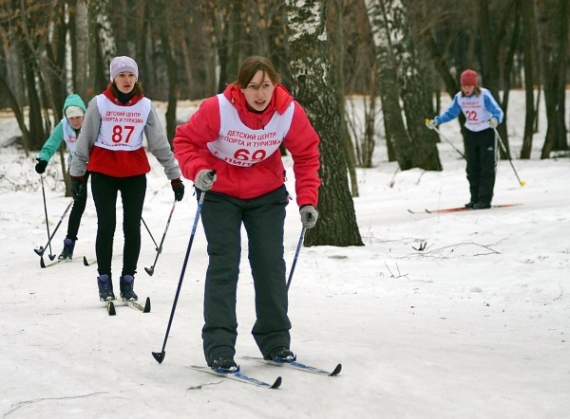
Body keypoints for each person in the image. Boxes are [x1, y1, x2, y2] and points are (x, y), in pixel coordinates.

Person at [173, 55, 321, 372]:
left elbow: (307, 153)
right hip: (219, 193)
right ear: (241, 88)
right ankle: (220, 348)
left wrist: (307, 199)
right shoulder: (218, 109)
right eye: (252, 86)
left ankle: (275, 341)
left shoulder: (288, 112)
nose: (260, 93)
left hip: (266, 194)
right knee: (225, 264)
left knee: (269, 264)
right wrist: (197, 171)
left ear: (274, 85)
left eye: (266, 85)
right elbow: (185, 140)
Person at [70, 56, 185, 302]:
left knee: (132, 227)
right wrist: (77, 175)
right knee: (107, 225)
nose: (127, 80)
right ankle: (104, 280)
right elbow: (85, 140)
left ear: (136, 78)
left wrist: (174, 176)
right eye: (121, 75)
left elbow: (159, 144)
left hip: (133, 173)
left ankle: (128, 281)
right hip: (103, 172)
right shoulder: (99, 103)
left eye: (131, 75)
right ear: (113, 78)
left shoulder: (145, 106)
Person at [428, 69, 504, 209]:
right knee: (472, 168)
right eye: (464, 86)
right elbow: (451, 112)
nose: (467, 89)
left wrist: (495, 119)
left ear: (475, 85)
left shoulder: (484, 95)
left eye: (469, 86)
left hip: (486, 132)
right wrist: (437, 121)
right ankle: (474, 198)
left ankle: (484, 199)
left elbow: (498, 111)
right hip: (471, 133)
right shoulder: (459, 97)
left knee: (486, 167)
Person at [35, 93, 88, 259]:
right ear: (67, 117)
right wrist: (43, 160)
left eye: (79, 117)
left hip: (97, 165)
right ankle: (69, 243)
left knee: (104, 203)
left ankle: (105, 243)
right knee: (78, 205)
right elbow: (51, 145)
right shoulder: (64, 126)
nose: (76, 121)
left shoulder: (91, 123)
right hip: (77, 167)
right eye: (71, 118)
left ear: (84, 114)